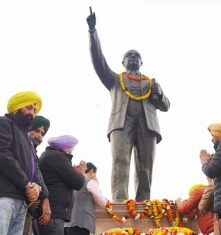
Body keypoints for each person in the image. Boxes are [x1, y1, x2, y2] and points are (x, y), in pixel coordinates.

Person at [86, 7, 170, 201]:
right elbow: (99, 61)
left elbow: (166, 105)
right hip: (121, 123)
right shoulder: (115, 80)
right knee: (120, 162)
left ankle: (143, 203)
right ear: (123, 62)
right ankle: (120, 202)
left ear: (141, 62)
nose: (133, 57)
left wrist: (160, 95)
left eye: (136, 56)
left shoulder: (151, 83)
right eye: (129, 55)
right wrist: (93, 32)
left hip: (147, 125)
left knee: (145, 166)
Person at [0, 91, 48, 235]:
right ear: (17, 107)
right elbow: (3, 155)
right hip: (5, 196)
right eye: (28, 108)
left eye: (34, 110)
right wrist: (27, 184)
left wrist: (37, 188)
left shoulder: (26, 138)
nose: (32, 113)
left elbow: (33, 168)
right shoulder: (4, 123)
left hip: (22, 201)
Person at [37, 135, 86, 235]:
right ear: (65, 147)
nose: (72, 150)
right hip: (53, 214)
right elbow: (77, 183)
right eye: (71, 147)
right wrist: (80, 173)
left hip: (52, 212)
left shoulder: (50, 155)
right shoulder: (57, 157)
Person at [23, 115, 51, 235]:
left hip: (27, 208)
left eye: (43, 133)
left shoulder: (33, 153)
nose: (40, 135)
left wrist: (41, 193)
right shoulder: (21, 147)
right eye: (37, 130)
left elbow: (37, 174)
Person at [64, 162, 107, 235]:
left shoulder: (71, 181)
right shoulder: (90, 182)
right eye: (95, 173)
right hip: (82, 223)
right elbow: (102, 202)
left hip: (66, 223)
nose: (95, 176)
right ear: (91, 171)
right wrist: (96, 182)